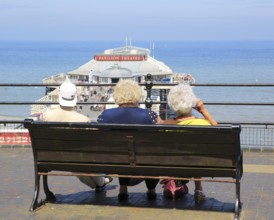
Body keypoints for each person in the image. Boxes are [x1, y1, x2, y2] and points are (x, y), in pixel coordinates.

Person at [43, 79, 113, 191]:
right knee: (83, 161)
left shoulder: (47, 115)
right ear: (75, 98)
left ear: (60, 96)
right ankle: (102, 181)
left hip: (52, 158)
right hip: (76, 158)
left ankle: (101, 182)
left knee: (79, 165)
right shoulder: (83, 120)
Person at [97, 79, 159, 201]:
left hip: (117, 161)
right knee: (150, 154)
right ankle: (151, 190)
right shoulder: (150, 115)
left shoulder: (105, 115)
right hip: (145, 161)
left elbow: (97, 136)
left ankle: (123, 189)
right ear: (137, 95)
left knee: (122, 153)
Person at [159, 83, 218, 203]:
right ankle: (198, 189)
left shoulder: (164, 125)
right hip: (197, 164)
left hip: (174, 165)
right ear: (191, 103)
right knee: (196, 153)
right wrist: (203, 110)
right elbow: (220, 134)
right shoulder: (203, 125)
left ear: (172, 105)